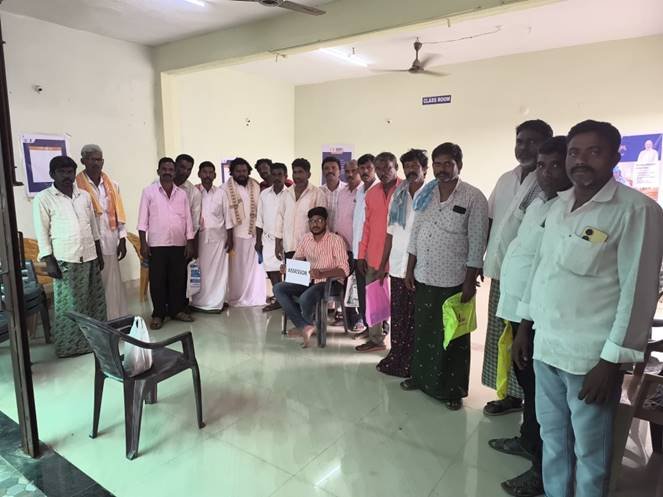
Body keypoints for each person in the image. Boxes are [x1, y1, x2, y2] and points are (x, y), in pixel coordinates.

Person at [513, 120, 663, 497]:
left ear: (615, 156)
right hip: (546, 349)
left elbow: (639, 292)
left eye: (594, 152)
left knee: (591, 454)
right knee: (553, 441)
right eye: (574, 152)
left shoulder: (636, 210)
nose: (581, 161)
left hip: (589, 360)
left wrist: (611, 362)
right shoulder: (559, 206)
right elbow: (541, 270)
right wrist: (525, 326)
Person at [489, 136, 572, 497]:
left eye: (555, 165)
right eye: (541, 165)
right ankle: (528, 440)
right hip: (519, 308)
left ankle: (542, 470)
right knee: (529, 385)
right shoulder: (540, 203)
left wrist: (526, 324)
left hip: (539, 317)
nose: (547, 172)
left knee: (545, 398)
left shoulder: (568, 210)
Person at [401, 142, 489, 410]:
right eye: (437, 164)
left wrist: (469, 281)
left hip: (454, 280)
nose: (442, 169)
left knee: (453, 336)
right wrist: (409, 269)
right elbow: (416, 233)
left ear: (458, 165)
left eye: (448, 163)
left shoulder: (473, 197)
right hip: (424, 275)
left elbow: (477, 242)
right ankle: (421, 378)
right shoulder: (426, 194)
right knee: (424, 331)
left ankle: (452, 389)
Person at [482, 119, 554, 416]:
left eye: (532, 142)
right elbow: (490, 220)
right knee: (500, 337)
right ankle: (507, 393)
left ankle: (525, 400)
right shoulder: (506, 179)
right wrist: (479, 261)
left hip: (528, 280)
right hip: (500, 271)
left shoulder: (548, 182)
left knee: (522, 341)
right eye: (520, 141)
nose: (524, 147)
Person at [33, 156, 106, 357]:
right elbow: (42, 232)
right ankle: (70, 347)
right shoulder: (44, 198)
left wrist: (99, 253)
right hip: (66, 259)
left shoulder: (84, 196)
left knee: (95, 301)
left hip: (89, 256)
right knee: (70, 306)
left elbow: (93, 227)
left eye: (70, 172)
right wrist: (49, 261)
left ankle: (96, 342)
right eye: (62, 172)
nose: (67, 176)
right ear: (52, 174)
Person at [376, 149, 427, 377]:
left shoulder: (433, 194)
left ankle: (414, 363)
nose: (410, 170)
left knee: (416, 318)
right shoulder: (399, 195)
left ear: (425, 168)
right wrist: (383, 264)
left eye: (415, 165)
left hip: (421, 267)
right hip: (397, 264)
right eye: (407, 166)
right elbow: (390, 233)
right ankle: (397, 357)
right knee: (398, 315)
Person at [273, 207, 350, 348]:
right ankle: (305, 325)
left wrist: (322, 273)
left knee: (305, 298)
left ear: (325, 222)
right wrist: (287, 268)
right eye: (312, 221)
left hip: (330, 283)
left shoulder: (336, 240)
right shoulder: (306, 238)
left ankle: (305, 324)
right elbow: (297, 259)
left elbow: (344, 270)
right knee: (278, 288)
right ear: (309, 223)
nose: (315, 224)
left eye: (319, 220)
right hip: (308, 280)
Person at [138, 157, 195, 329]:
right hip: (157, 244)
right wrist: (143, 243)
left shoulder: (182, 194)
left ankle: (176, 310)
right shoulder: (149, 192)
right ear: (158, 171)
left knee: (178, 279)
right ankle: (158, 314)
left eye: (171, 170)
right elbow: (142, 220)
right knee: (157, 281)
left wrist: (190, 242)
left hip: (179, 243)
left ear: (174, 172)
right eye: (164, 169)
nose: (167, 172)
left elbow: (188, 220)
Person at [75, 144, 128, 320]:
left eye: (99, 159)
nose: (96, 163)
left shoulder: (112, 185)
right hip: (88, 242)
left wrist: (122, 238)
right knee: (94, 283)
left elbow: (118, 212)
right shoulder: (76, 186)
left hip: (111, 238)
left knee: (113, 281)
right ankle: (97, 320)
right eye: (92, 159)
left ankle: (115, 317)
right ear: (83, 161)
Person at [355, 152, 401, 353]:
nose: (383, 173)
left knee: (398, 302)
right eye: (379, 169)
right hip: (374, 256)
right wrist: (361, 255)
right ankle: (376, 339)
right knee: (374, 299)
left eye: (387, 168)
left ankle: (400, 344)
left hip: (399, 258)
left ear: (396, 167)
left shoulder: (405, 190)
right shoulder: (372, 193)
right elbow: (366, 227)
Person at [223, 157, 267, 307]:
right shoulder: (225, 188)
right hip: (236, 235)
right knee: (237, 269)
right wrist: (229, 238)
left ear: (248, 171)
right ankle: (237, 297)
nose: (241, 174)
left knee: (255, 269)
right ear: (232, 172)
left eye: (244, 171)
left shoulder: (255, 185)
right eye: (238, 171)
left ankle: (255, 297)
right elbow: (226, 214)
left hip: (254, 234)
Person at [190, 161, 230, 313]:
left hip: (219, 239)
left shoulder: (221, 193)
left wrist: (230, 238)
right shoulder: (194, 192)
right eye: (204, 172)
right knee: (201, 271)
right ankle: (198, 302)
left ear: (215, 175)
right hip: (199, 239)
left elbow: (228, 217)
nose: (207, 175)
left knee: (219, 272)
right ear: (199, 174)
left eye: (210, 172)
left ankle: (216, 303)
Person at [275, 158, 327, 260]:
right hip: (289, 247)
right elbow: (280, 219)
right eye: (295, 172)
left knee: (309, 271)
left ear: (308, 174)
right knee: (289, 271)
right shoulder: (286, 194)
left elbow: (323, 222)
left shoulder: (317, 194)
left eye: (300, 172)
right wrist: (277, 244)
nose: (297, 176)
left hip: (310, 249)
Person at [351, 154, 378, 332]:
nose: (365, 171)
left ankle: (379, 329)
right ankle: (368, 327)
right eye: (362, 168)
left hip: (372, 253)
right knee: (362, 291)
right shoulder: (360, 190)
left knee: (374, 293)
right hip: (358, 251)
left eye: (369, 168)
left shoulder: (379, 190)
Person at [256, 162, 289, 312]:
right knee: (271, 270)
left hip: (286, 239)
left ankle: (289, 300)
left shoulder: (290, 194)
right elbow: (259, 219)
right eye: (274, 174)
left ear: (285, 176)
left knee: (288, 270)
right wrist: (258, 241)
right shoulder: (264, 194)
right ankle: (279, 299)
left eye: (280, 175)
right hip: (268, 239)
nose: (277, 178)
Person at [174, 153, 202, 237]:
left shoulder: (194, 192)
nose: (185, 172)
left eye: (189, 169)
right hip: (158, 239)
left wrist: (188, 240)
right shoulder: (158, 185)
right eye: (182, 167)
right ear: (175, 166)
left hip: (181, 240)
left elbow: (194, 223)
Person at [320, 156, 347, 231]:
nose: (330, 170)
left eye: (333, 167)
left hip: (343, 235)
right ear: (323, 172)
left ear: (340, 171)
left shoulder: (347, 190)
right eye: (326, 168)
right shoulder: (318, 192)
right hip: (323, 235)